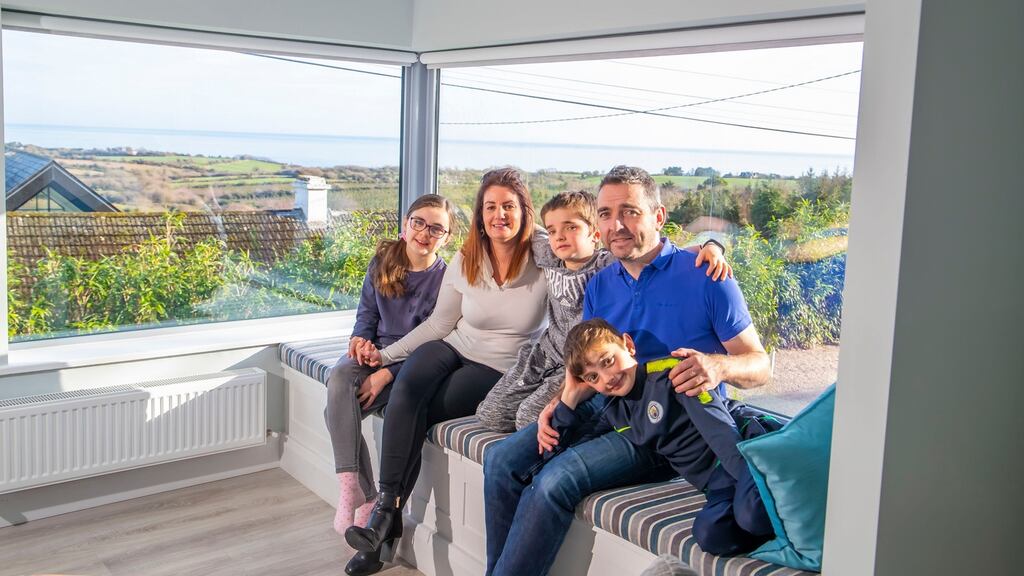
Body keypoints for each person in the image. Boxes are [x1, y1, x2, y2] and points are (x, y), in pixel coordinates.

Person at [484, 166, 772, 576]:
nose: (615, 224)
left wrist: (719, 366)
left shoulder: (707, 274)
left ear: (658, 216)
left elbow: (759, 366)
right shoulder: (601, 284)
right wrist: (561, 400)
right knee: (501, 459)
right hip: (611, 404)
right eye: (604, 213)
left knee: (553, 482)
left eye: (630, 212)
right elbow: (588, 362)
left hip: (670, 428)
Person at [344, 167, 552, 576]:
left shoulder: (545, 254)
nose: (499, 216)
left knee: (424, 409)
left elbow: (597, 255)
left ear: (524, 211)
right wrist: (385, 361)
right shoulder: (469, 254)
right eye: (490, 207)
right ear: (479, 214)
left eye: (509, 206)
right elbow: (440, 325)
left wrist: (703, 246)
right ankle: (386, 510)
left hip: (497, 366)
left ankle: (380, 530)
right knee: (407, 387)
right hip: (452, 345)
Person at [475, 190, 732, 432]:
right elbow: (522, 228)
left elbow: (662, 255)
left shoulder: (607, 263)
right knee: (489, 414)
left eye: (571, 227)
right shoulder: (548, 253)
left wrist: (711, 246)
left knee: (527, 418)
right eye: (553, 231)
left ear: (596, 235)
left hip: (578, 363)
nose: (560, 236)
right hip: (544, 353)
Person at [556, 318, 776, 555]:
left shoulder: (673, 373)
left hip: (744, 449)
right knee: (710, 536)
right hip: (717, 483)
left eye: (608, 361)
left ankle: (776, 482)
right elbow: (567, 445)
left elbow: (721, 432)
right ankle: (769, 511)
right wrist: (568, 398)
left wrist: (749, 486)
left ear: (628, 345)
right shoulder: (615, 413)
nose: (607, 377)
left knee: (752, 514)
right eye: (592, 378)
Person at [323, 194, 456, 535]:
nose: (425, 233)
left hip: (411, 365)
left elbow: (434, 342)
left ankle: (364, 496)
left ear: (448, 237)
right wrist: (359, 342)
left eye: (436, 228)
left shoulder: (447, 281)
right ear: (405, 225)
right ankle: (355, 490)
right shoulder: (383, 261)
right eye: (419, 223)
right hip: (373, 352)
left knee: (336, 411)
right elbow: (366, 315)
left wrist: (385, 374)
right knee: (339, 377)